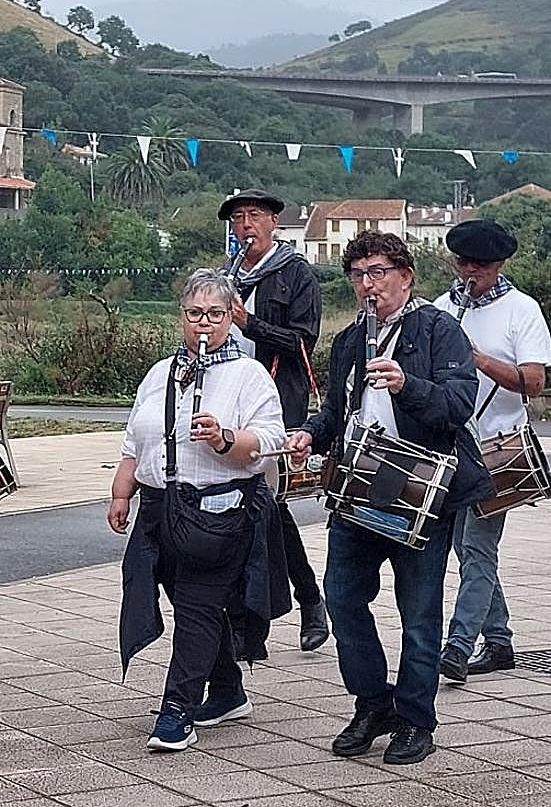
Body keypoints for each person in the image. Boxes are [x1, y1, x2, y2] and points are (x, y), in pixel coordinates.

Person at [288, 230, 491, 765]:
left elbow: (457, 405)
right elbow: (338, 410)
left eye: (378, 272)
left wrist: (407, 385)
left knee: (418, 614)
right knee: (342, 598)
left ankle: (416, 720)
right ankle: (373, 704)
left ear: (406, 275)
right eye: (358, 275)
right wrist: (312, 432)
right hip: (360, 490)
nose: (367, 285)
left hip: (425, 491)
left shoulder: (439, 330)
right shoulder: (353, 338)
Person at [109, 268, 290, 751]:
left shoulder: (248, 375)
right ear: (181, 318)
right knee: (184, 601)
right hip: (158, 512)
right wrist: (121, 493)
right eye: (194, 314)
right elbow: (134, 441)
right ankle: (228, 691)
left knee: (197, 607)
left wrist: (225, 438)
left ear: (232, 316)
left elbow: (272, 441)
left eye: (214, 314)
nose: (203, 324)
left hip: (219, 513)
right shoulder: (159, 372)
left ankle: (177, 710)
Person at [436, 220, 551, 683]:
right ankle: (499, 640)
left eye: (479, 265)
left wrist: (479, 359)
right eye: (463, 262)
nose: (469, 271)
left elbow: (536, 382)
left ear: (498, 265)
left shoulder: (522, 310)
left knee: (478, 548)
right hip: (452, 446)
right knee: (465, 550)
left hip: (499, 448)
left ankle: (459, 645)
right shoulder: (444, 308)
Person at [218, 188, 328, 654]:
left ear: (273, 223)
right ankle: (285, 607)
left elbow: (305, 342)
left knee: (267, 502)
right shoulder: (228, 276)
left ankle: (299, 603)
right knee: (252, 504)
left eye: (254, 217)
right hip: (228, 403)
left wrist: (251, 324)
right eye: (239, 218)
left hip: (276, 403)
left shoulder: (295, 272)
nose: (246, 226)